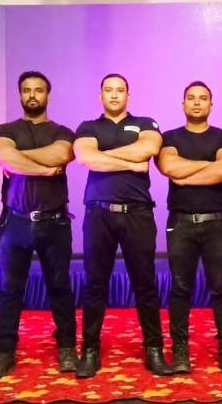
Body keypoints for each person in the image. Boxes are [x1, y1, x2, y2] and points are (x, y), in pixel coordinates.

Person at [72, 73, 174, 378]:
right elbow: (85, 157)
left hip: (137, 214)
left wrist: (101, 156)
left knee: (145, 284)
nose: (114, 95)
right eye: (108, 90)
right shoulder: (88, 127)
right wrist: (129, 163)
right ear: (100, 95)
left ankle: (154, 349)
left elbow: (148, 150)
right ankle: (90, 350)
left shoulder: (145, 123)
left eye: (120, 90)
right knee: (95, 285)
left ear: (128, 95)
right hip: (98, 214)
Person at [0, 71, 78, 377]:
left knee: (60, 287)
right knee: (9, 289)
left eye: (38, 90)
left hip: (55, 222)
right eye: (27, 90)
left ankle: (67, 347)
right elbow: (2, 156)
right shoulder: (5, 130)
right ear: (20, 95)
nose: (32, 95)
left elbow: (61, 153)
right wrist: (44, 168)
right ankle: (4, 352)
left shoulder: (63, 131)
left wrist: (18, 158)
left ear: (48, 95)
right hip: (16, 222)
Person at [156, 81, 222, 376]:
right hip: (180, 223)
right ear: (182, 104)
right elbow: (171, 169)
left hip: (217, 222)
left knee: (221, 287)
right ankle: (180, 351)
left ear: (211, 105)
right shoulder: (169, 137)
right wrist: (207, 166)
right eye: (191, 98)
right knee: (180, 288)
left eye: (202, 98)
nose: (196, 102)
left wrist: (185, 172)